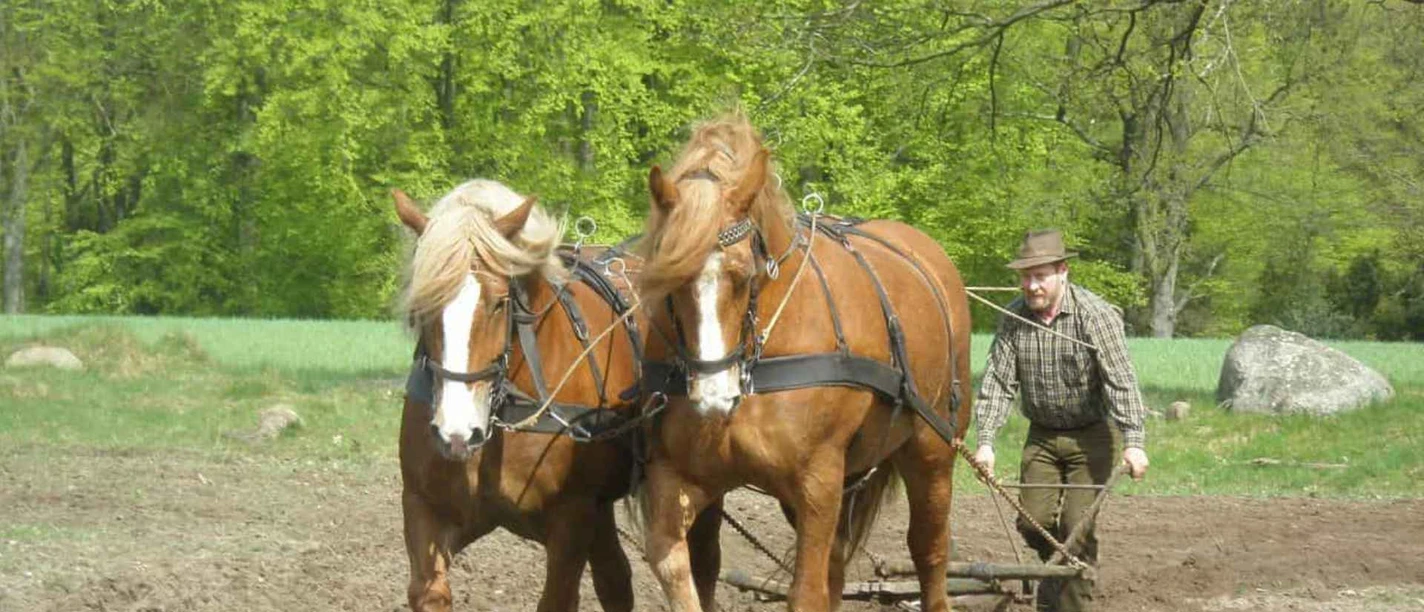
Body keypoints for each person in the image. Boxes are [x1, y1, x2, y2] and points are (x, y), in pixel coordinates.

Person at [973, 228, 1150, 612]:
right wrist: (985, 443)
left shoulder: (1095, 316)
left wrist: (1135, 442)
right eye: (1026, 277)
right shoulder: (1014, 319)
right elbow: (999, 383)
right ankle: (1062, 575)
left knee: (1075, 529)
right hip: (1042, 438)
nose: (1032, 285)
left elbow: (1121, 381)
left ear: (1062, 271)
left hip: (1091, 439)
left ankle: (1068, 600)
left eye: (1040, 276)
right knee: (1030, 522)